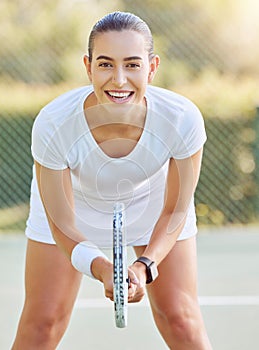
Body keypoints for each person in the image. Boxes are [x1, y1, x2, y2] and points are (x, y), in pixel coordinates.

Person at [12, 11, 212, 350]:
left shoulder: (182, 119)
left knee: (180, 318)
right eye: (105, 64)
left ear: (152, 67)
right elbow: (62, 223)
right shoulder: (54, 123)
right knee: (42, 325)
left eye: (132, 64)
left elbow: (175, 212)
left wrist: (144, 266)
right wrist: (102, 268)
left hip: (154, 205)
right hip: (73, 207)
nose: (119, 80)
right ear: (88, 67)